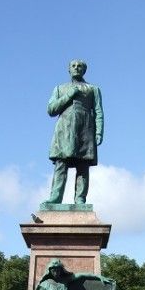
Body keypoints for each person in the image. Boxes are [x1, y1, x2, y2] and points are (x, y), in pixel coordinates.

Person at [42, 59, 104, 205]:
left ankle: (80, 198)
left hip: (85, 130)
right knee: (61, 164)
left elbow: (98, 111)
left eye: (80, 66)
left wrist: (99, 132)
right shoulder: (59, 88)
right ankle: (55, 197)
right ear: (69, 69)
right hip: (64, 130)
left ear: (84, 70)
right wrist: (69, 95)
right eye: (73, 66)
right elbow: (51, 109)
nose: (77, 68)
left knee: (83, 165)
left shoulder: (93, 89)